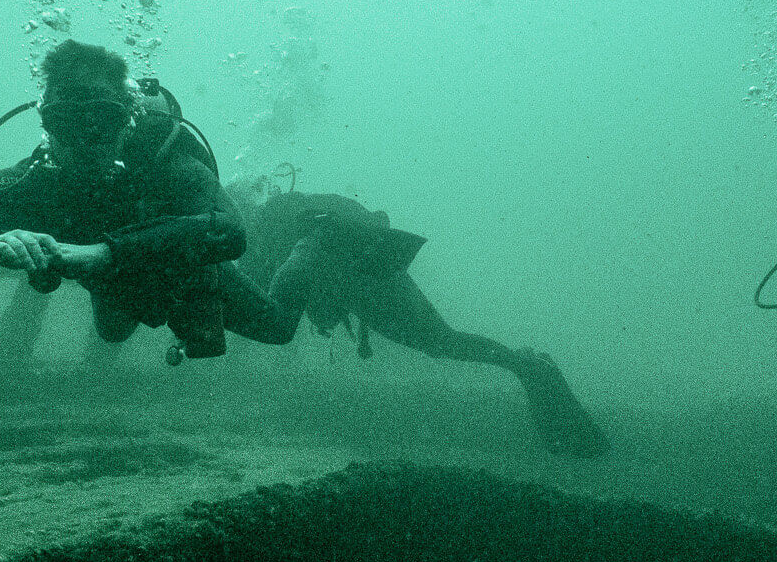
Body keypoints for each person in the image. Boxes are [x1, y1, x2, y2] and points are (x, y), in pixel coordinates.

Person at [0, 39, 291, 362]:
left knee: (276, 327)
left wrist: (104, 254)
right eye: (68, 121)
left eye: (105, 119)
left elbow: (230, 231)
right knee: (113, 333)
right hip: (112, 285)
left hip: (175, 268)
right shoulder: (35, 177)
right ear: (46, 124)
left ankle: (307, 242)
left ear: (128, 120)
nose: (87, 140)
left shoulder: (166, 161)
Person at [229, 176, 609, 458]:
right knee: (442, 342)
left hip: (371, 285)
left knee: (441, 342)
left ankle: (529, 366)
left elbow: (292, 279)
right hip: (364, 287)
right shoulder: (274, 232)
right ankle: (527, 366)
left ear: (248, 210)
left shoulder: (286, 222)